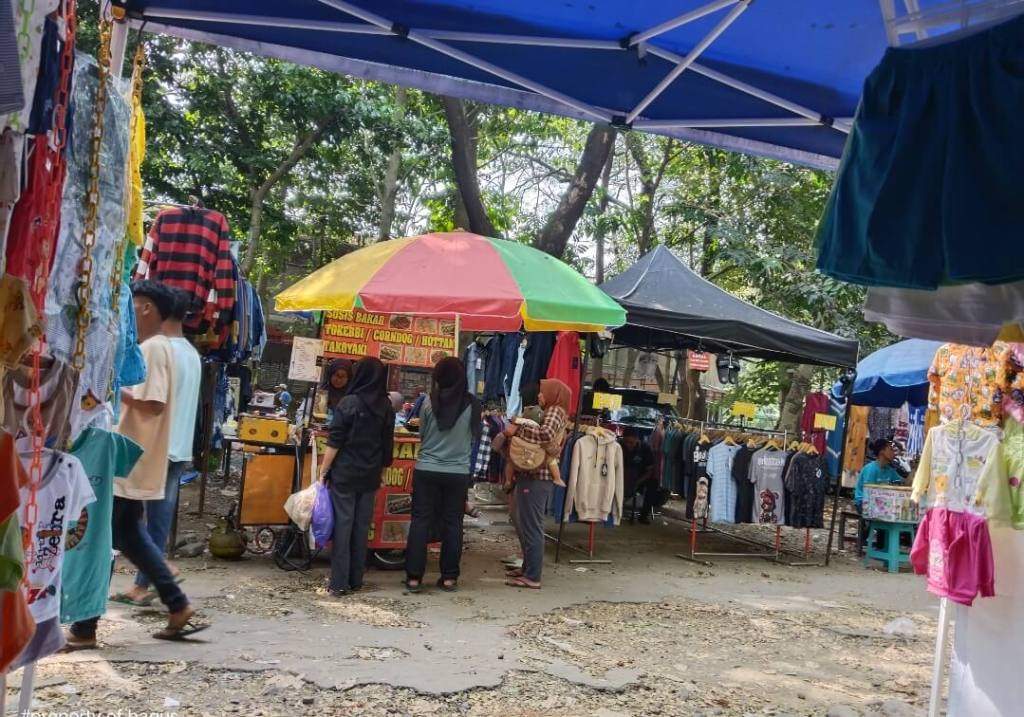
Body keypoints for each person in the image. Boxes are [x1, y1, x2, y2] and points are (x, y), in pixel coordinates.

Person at [67, 281, 206, 647]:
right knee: (126, 535)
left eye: (134, 306)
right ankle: (176, 605)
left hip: (127, 459)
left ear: (144, 308)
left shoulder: (153, 349)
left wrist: (108, 389)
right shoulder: (162, 348)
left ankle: (85, 626)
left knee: (102, 538)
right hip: (134, 458)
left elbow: (153, 402)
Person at [122, 288, 201, 605]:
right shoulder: (192, 354)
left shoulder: (157, 348)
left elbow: (151, 402)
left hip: (156, 445)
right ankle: (152, 582)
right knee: (154, 520)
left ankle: (150, 580)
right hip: (179, 445)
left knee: (133, 520)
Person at [318, 357, 394, 596]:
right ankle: (355, 580)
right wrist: (380, 473)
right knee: (361, 528)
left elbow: (335, 440)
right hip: (369, 475)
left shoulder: (349, 403)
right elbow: (387, 447)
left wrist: (323, 471)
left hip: (345, 474)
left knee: (343, 526)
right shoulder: (385, 406)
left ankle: (338, 583)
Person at [404, 358, 481, 593]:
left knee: (420, 522)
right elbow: (474, 436)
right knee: (453, 523)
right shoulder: (473, 405)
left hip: (426, 469)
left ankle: (414, 578)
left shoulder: (427, 402)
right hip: (457, 473)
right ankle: (449, 578)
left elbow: (422, 435)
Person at [503, 379, 571, 590]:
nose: (540, 396)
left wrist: (520, 428)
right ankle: (528, 568)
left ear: (553, 393)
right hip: (533, 474)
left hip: (537, 476)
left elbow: (545, 435)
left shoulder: (554, 411)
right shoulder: (552, 411)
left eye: (542, 392)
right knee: (524, 521)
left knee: (532, 525)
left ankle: (533, 576)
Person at [854, 438, 904, 513]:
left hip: (880, 502)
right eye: (890, 449)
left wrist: (913, 470)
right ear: (882, 452)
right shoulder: (871, 469)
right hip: (863, 502)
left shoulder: (889, 470)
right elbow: (869, 493)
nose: (894, 453)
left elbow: (903, 483)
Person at [621, 428, 659, 524]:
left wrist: (638, 482)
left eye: (631, 442)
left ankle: (644, 515)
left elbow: (650, 470)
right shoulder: (619, 446)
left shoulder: (645, 448)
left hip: (640, 478)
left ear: (637, 439)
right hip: (621, 477)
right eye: (626, 442)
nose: (628, 445)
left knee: (653, 484)